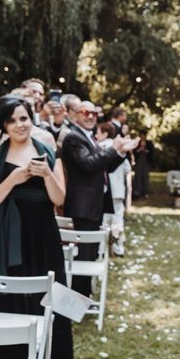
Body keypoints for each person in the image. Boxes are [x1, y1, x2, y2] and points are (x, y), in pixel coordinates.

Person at [0, 95, 74, 359]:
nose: (19, 124)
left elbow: (59, 198)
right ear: (3, 126)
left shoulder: (48, 151)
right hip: (5, 238)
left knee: (45, 295)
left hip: (42, 235)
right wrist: (13, 180)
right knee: (8, 295)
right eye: (12, 120)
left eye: (24, 118)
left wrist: (46, 175)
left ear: (31, 119)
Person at [61, 100, 136, 296]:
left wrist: (121, 153)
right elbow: (87, 164)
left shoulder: (89, 137)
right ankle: (78, 299)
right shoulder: (73, 138)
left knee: (90, 253)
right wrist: (113, 149)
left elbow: (103, 167)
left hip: (94, 204)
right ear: (76, 114)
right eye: (86, 112)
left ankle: (84, 296)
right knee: (84, 256)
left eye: (94, 113)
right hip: (82, 206)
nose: (91, 116)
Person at [96, 122, 131, 256]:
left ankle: (101, 250)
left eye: (98, 133)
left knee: (103, 222)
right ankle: (118, 248)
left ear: (104, 134)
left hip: (104, 190)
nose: (96, 136)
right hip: (118, 190)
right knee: (117, 220)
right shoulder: (119, 147)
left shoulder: (100, 147)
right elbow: (127, 168)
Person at [132, 132, 153, 199]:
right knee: (138, 176)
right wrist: (139, 150)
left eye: (143, 135)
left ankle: (145, 191)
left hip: (146, 161)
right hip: (139, 161)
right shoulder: (137, 143)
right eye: (141, 135)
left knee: (145, 176)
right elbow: (134, 152)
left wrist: (146, 151)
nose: (142, 137)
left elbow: (152, 152)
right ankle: (137, 191)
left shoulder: (149, 143)